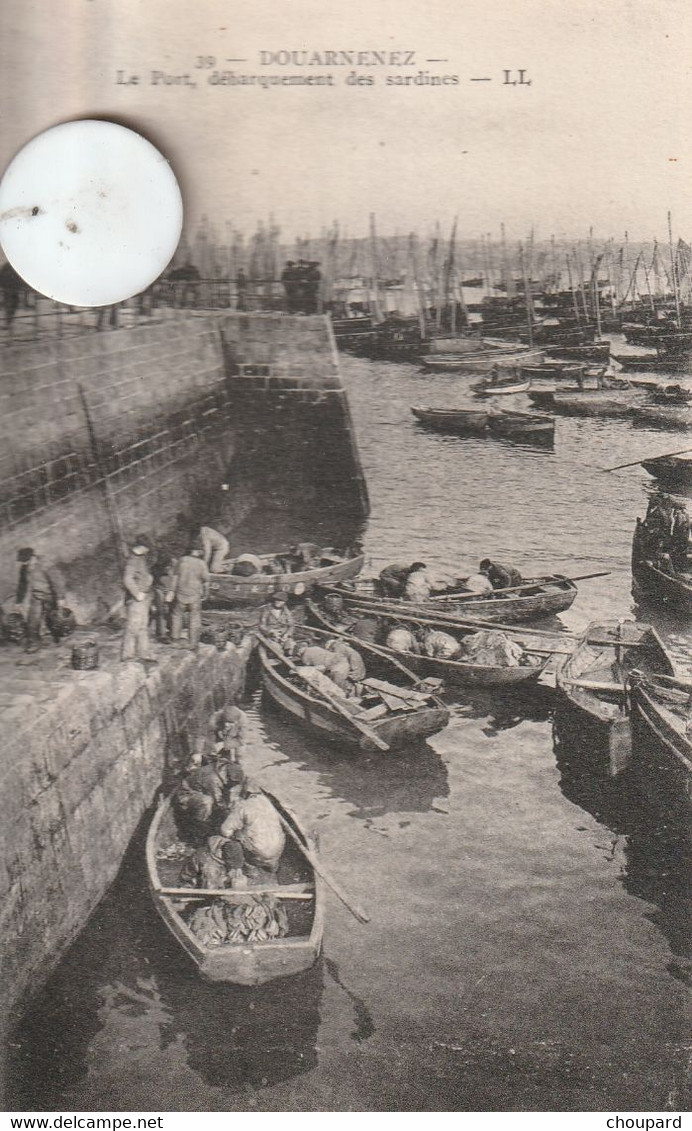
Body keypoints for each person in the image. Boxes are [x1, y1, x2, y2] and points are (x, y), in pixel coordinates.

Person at [220, 777, 286, 874]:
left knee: (236, 835)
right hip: (278, 847)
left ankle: (250, 866)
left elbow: (225, 830)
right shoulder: (269, 802)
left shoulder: (244, 805)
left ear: (246, 792)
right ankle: (272, 864)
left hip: (259, 851)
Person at [15, 547, 67, 653]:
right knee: (32, 621)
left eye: (27, 561)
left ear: (33, 557)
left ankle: (57, 637)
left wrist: (60, 598)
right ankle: (34, 643)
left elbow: (57, 582)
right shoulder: (24, 568)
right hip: (37, 596)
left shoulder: (46, 565)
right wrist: (18, 602)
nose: (25, 564)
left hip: (50, 596)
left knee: (52, 619)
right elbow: (22, 585)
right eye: (23, 562)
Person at [121, 534, 157, 663]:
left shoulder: (140, 558)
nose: (148, 550)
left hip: (144, 597)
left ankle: (144, 653)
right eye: (147, 548)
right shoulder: (132, 561)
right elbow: (127, 579)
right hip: (137, 600)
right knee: (132, 627)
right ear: (141, 547)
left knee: (142, 626)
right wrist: (137, 594)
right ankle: (127, 655)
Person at [171, 546, 209, 650]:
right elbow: (206, 581)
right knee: (194, 617)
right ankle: (192, 643)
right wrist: (206, 593)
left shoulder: (181, 560)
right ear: (199, 551)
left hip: (181, 593)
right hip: (194, 595)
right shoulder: (201, 563)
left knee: (177, 615)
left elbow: (175, 577)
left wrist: (172, 591)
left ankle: (175, 641)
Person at [151, 548, 177, 641]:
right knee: (161, 612)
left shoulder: (174, 565)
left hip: (171, 590)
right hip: (159, 590)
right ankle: (161, 635)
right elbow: (153, 583)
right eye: (164, 567)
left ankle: (172, 631)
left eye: (167, 567)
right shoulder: (155, 568)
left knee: (172, 611)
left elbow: (176, 579)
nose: (166, 569)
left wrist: (172, 591)